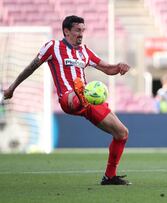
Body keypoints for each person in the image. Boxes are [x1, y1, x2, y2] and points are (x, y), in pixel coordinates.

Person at [2, 15, 132, 185]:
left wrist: (119, 67)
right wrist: (12, 87)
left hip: (87, 100)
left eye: (83, 30)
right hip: (68, 98)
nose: (81, 34)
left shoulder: (85, 51)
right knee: (79, 92)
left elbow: (108, 69)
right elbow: (32, 67)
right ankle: (81, 92)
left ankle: (109, 176)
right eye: (78, 30)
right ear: (66, 31)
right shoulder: (53, 47)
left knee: (122, 133)